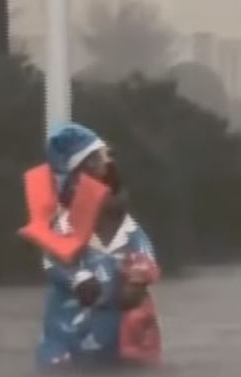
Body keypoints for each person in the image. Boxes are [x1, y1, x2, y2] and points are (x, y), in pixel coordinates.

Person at [19, 123, 161, 371]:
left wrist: (138, 280)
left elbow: (143, 261)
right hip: (68, 344)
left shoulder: (130, 232)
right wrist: (77, 278)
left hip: (119, 346)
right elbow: (53, 262)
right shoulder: (63, 230)